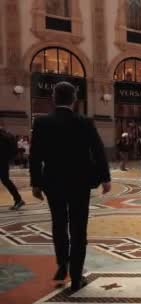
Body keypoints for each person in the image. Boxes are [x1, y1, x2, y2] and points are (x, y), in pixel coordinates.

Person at [29, 82, 111, 292]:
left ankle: (62, 264)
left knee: (58, 223)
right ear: (74, 99)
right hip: (79, 182)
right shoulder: (84, 122)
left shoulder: (42, 122)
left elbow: (35, 155)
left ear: (54, 98)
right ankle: (76, 276)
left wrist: (36, 182)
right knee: (78, 227)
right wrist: (105, 178)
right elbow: (98, 151)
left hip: (53, 181)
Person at [0, 126, 24, 210]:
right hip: (4, 161)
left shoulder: (3, 136)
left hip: (2, 160)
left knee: (5, 180)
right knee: (5, 180)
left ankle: (18, 199)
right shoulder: (7, 135)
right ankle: (18, 199)